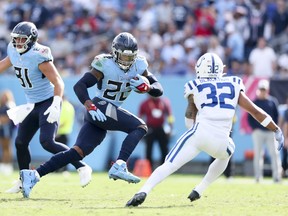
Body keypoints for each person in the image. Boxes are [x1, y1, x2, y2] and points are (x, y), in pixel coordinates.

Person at [125, 52, 284, 207]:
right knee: (229, 150)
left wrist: (191, 125)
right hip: (222, 140)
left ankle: (144, 190)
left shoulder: (194, 85)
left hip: (200, 133)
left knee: (170, 164)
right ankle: (200, 188)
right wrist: (276, 129)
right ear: (221, 69)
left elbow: (189, 118)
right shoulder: (234, 83)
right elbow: (255, 111)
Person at [19, 32, 163, 198]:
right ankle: (120, 164)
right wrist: (90, 105)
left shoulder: (140, 64)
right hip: (99, 106)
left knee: (77, 152)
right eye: (123, 56)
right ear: (115, 53)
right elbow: (80, 86)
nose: (126, 61)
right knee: (140, 127)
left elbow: (158, 88)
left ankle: (34, 175)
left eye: (129, 58)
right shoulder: (105, 63)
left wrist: (148, 88)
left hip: (103, 112)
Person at [0, 21, 92, 193]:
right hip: (32, 104)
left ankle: (82, 166)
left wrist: (57, 103)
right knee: (20, 142)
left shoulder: (39, 54)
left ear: (32, 39)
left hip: (48, 101)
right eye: (16, 39)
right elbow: (3, 64)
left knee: (47, 142)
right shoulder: (13, 50)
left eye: (22, 39)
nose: (18, 42)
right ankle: (24, 180)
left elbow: (58, 81)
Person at [247, 80, 282, 183]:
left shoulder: (272, 101)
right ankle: (258, 177)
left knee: (274, 154)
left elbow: (276, 116)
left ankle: (277, 177)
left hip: (270, 132)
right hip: (258, 132)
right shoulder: (255, 102)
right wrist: (255, 128)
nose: (262, 91)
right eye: (261, 89)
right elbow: (250, 118)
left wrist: (275, 129)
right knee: (258, 154)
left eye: (264, 89)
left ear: (267, 90)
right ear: (258, 90)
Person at [138, 95, 174, 169]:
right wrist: (140, 130)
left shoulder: (164, 102)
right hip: (150, 129)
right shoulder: (145, 103)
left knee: (164, 150)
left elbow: (170, 116)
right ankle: (149, 169)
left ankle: (164, 169)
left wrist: (170, 128)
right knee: (148, 150)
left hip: (161, 128)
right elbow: (140, 117)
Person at [55, 96, 75, 172]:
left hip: (60, 133)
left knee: (57, 152)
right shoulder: (70, 106)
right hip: (66, 132)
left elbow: (61, 121)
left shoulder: (63, 106)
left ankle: (58, 169)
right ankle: (64, 170)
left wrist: (56, 131)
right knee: (65, 153)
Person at [0, 90, 16, 175]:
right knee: (3, 148)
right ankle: (4, 164)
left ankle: (8, 165)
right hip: (2, 130)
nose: (3, 98)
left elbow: (7, 118)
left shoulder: (9, 106)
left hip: (7, 130)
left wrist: (2, 120)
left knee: (7, 147)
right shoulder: (2, 106)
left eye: (5, 96)